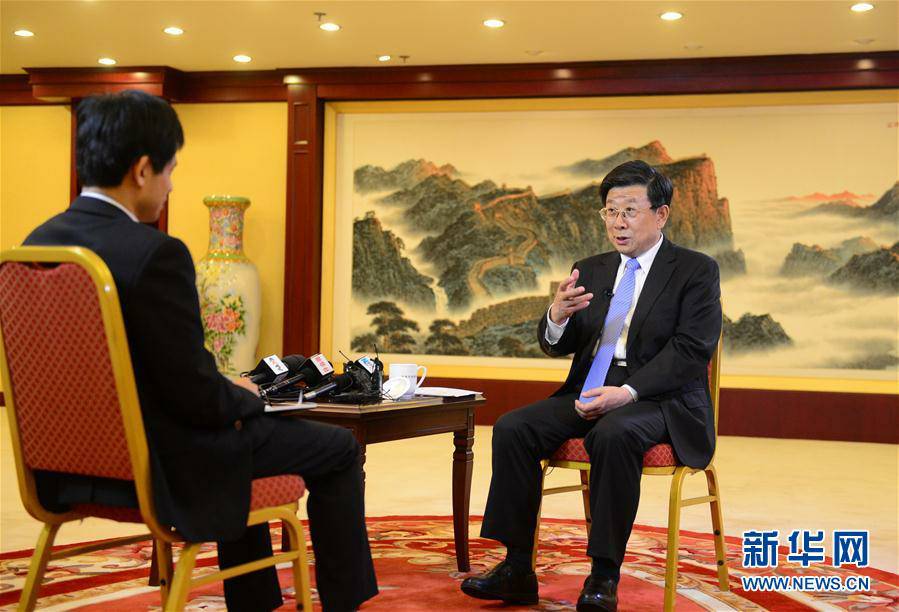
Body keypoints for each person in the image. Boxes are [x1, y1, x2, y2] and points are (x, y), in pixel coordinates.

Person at [24, 90, 377, 612]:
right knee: (335, 447)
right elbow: (196, 397)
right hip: (161, 468)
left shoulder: (34, 247)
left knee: (237, 424)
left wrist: (225, 397)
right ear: (143, 170)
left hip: (64, 467)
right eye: (170, 170)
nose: (170, 185)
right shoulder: (155, 255)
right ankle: (346, 602)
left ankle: (255, 599)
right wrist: (248, 396)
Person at [460, 160, 721, 612]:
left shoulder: (695, 270)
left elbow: (690, 350)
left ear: (661, 214)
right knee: (513, 427)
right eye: (610, 211)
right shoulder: (592, 269)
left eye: (630, 210)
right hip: (591, 389)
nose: (618, 222)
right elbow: (560, 344)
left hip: (661, 399)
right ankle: (517, 567)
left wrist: (628, 393)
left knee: (614, 434)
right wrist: (556, 317)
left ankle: (603, 575)